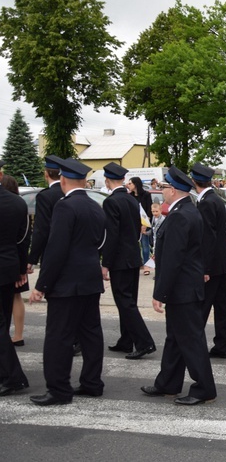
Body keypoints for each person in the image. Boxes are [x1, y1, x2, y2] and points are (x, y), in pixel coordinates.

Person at [30, 158, 106, 406]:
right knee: (91, 334)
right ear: (84, 181)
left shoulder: (64, 207)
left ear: (62, 180)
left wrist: (42, 285)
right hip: (90, 279)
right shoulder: (95, 206)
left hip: (67, 283)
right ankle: (92, 383)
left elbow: (56, 250)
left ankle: (59, 390)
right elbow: (100, 241)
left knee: (58, 337)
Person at [141, 167, 216, 406]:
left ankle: (204, 388)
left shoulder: (180, 215)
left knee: (191, 341)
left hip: (182, 290)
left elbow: (173, 259)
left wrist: (159, 293)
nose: (161, 191)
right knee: (175, 339)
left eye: (163, 187)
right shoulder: (187, 211)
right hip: (185, 287)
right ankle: (168, 383)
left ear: (172, 190)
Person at [100, 163, 156, 360]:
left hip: (120, 260)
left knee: (124, 302)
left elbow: (111, 235)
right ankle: (126, 340)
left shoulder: (111, 202)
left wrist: (105, 263)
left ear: (107, 180)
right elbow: (137, 228)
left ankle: (144, 342)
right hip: (132, 256)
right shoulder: (132, 200)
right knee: (128, 300)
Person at [191, 163, 226, 359]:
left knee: (202, 307)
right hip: (221, 263)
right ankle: (222, 345)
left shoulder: (207, 202)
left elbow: (207, 237)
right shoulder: (213, 199)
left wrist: (204, 268)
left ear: (194, 181)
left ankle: (192, 345)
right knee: (222, 306)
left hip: (212, 265)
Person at [0, 165, 30, 397]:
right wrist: (21, 268)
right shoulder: (18, 202)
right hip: (8, 266)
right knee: (3, 319)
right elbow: (22, 239)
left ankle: (13, 376)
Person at [126, 176, 153, 275]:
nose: (128, 185)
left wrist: (145, 224)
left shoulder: (146, 195)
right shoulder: (129, 196)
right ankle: (136, 264)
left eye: (130, 183)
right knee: (134, 245)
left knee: (145, 245)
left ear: (136, 184)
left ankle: (146, 265)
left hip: (144, 222)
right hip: (133, 224)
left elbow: (149, 210)